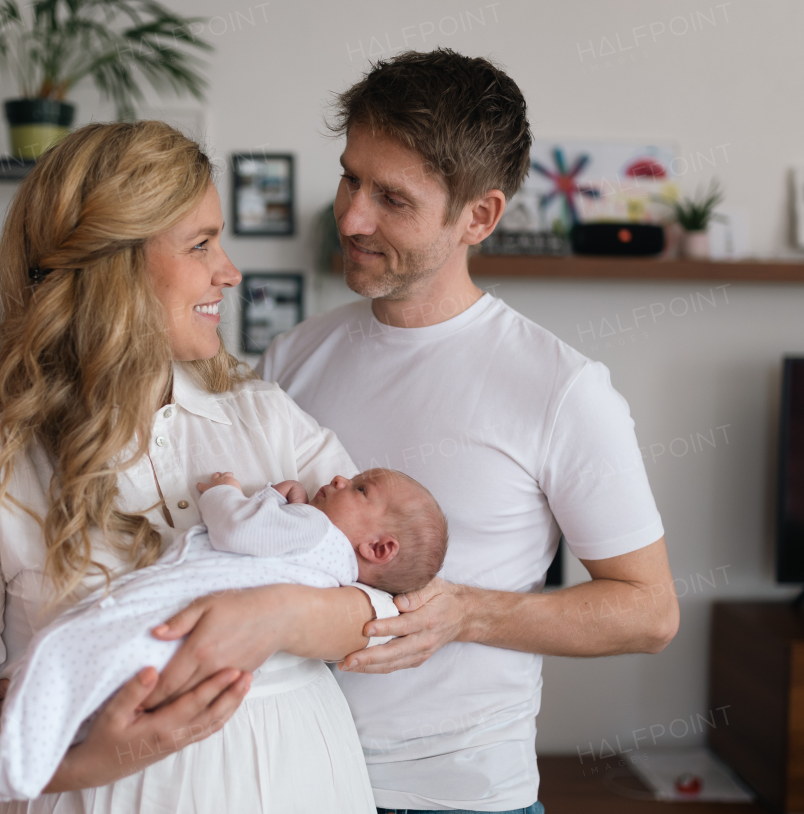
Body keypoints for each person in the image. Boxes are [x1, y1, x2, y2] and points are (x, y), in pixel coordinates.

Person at [0, 121, 401, 813]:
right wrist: (74, 764)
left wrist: (269, 617)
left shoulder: (269, 421)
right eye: (200, 244)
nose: (231, 271)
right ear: (112, 270)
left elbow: (389, 612)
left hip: (304, 783)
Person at [256, 49, 680, 813]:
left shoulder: (561, 390)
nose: (351, 217)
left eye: (392, 198)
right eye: (351, 177)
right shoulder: (292, 357)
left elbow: (649, 612)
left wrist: (470, 613)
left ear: (478, 216)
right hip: (289, 773)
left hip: (456, 796)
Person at [0, 468, 448, 800]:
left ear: (380, 549)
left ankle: (17, 762)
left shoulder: (317, 532)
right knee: (82, 676)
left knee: (62, 652)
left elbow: (236, 529)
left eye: (360, 488)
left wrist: (224, 491)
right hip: (193, 664)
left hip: (163, 625)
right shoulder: (332, 565)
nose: (340, 476)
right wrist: (278, 505)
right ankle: (40, 738)